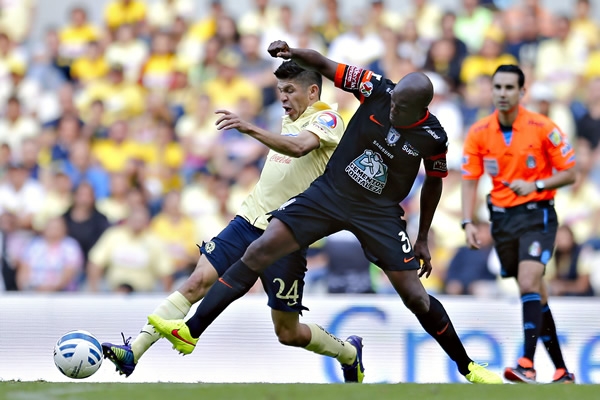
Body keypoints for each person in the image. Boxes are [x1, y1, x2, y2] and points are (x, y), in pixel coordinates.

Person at [148, 40, 503, 384]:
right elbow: (325, 66)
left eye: (399, 108)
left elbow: (435, 182)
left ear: (420, 108)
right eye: (392, 103)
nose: (391, 108)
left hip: (379, 212)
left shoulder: (433, 135)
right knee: (260, 249)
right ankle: (191, 331)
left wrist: (422, 236)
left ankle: (468, 366)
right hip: (331, 192)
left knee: (414, 295)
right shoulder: (378, 88)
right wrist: (293, 52)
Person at [101, 60, 368, 382]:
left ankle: (348, 352)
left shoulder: (328, 118)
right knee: (197, 280)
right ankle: (135, 351)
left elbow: (299, 148)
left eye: (290, 90)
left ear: (313, 91)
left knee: (288, 331)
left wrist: (249, 128)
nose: (283, 97)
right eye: (279, 90)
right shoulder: (289, 117)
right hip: (247, 219)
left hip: (285, 234)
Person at [461, 64, 577, 384]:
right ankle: (563, 371)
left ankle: (526, 363)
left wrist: (537, 185)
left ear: (522, 92)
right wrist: (468, 220)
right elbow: (470, 180)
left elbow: (570, 172)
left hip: (536, 214)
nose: (502, 93)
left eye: (509, 88)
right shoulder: (479, 132)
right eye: (497, 87)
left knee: (529, 281)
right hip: (501, 220)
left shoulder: (543, 128)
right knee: (535, 294)